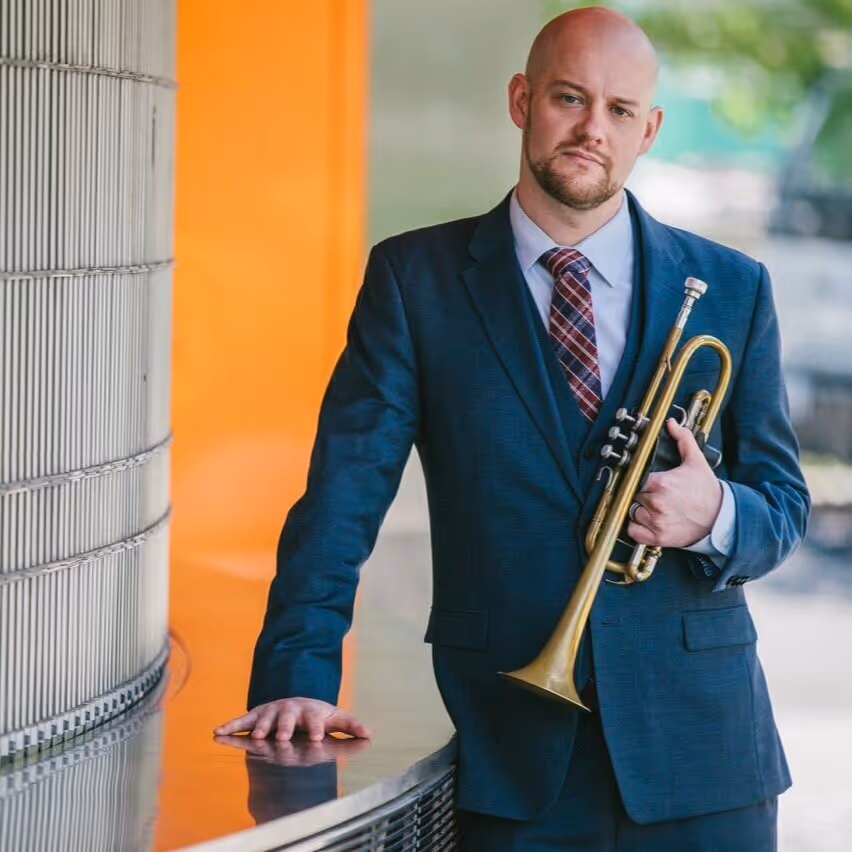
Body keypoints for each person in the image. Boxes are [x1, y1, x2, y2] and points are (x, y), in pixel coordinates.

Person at [215, 8, 809, 850]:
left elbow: (784, 504)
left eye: (619, 111)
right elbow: (340, 502)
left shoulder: (731, 287)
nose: (592, 130)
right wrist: (296, 676)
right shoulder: (414, 280)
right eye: (570, 98)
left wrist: (713, 515)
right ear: (522, 99)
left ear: (650, 130)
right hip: (511, 754)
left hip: (704, 758)